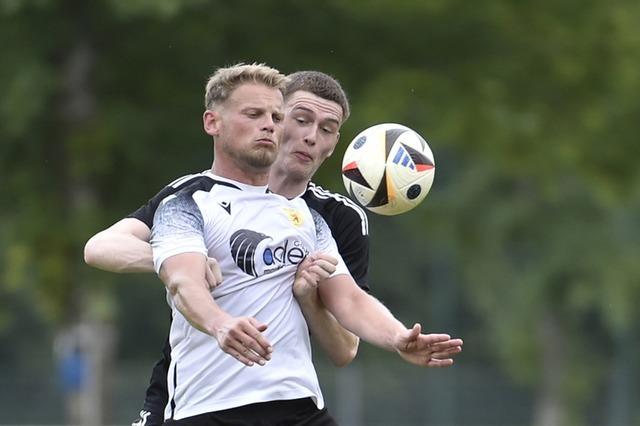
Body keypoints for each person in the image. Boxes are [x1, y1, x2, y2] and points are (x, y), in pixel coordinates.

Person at [86, 64, 463, 425]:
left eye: (327, 128)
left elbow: (348, 310)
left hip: (295, 402)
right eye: (297, 119)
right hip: (202, 396)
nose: (308, 135)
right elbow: (122, 257)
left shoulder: (318, 217)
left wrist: (397, 337)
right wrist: (174, 262)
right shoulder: (190, 199)